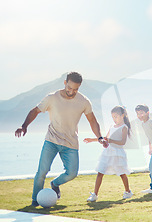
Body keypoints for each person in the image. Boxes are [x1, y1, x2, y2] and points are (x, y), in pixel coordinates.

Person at [15, 72, 108, 207]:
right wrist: (24, 126)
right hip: (51, 140)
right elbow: (35, 111)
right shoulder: (52, 98)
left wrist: (99, 137)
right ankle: (35, 200)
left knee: (72, 173)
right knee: (42, 171)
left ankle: (55, 183)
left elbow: (92, 121)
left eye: (76, 89)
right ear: (65, 83)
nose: (72, 91)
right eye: (69, 88)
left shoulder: (84, 101)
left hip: (71, 143)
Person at [84, 106, 133, 201]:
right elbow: (106, 138)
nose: (114, 119)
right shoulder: (111, 126)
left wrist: (111, 140)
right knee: (100, 172)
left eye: (116, 116)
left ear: (122, 115)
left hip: (118, 153)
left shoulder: (124, 127)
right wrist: (93, 139)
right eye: (113, 117)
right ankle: (94, 194)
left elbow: (122, 142)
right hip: (107, 152)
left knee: (122, 173)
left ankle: (128, 192)